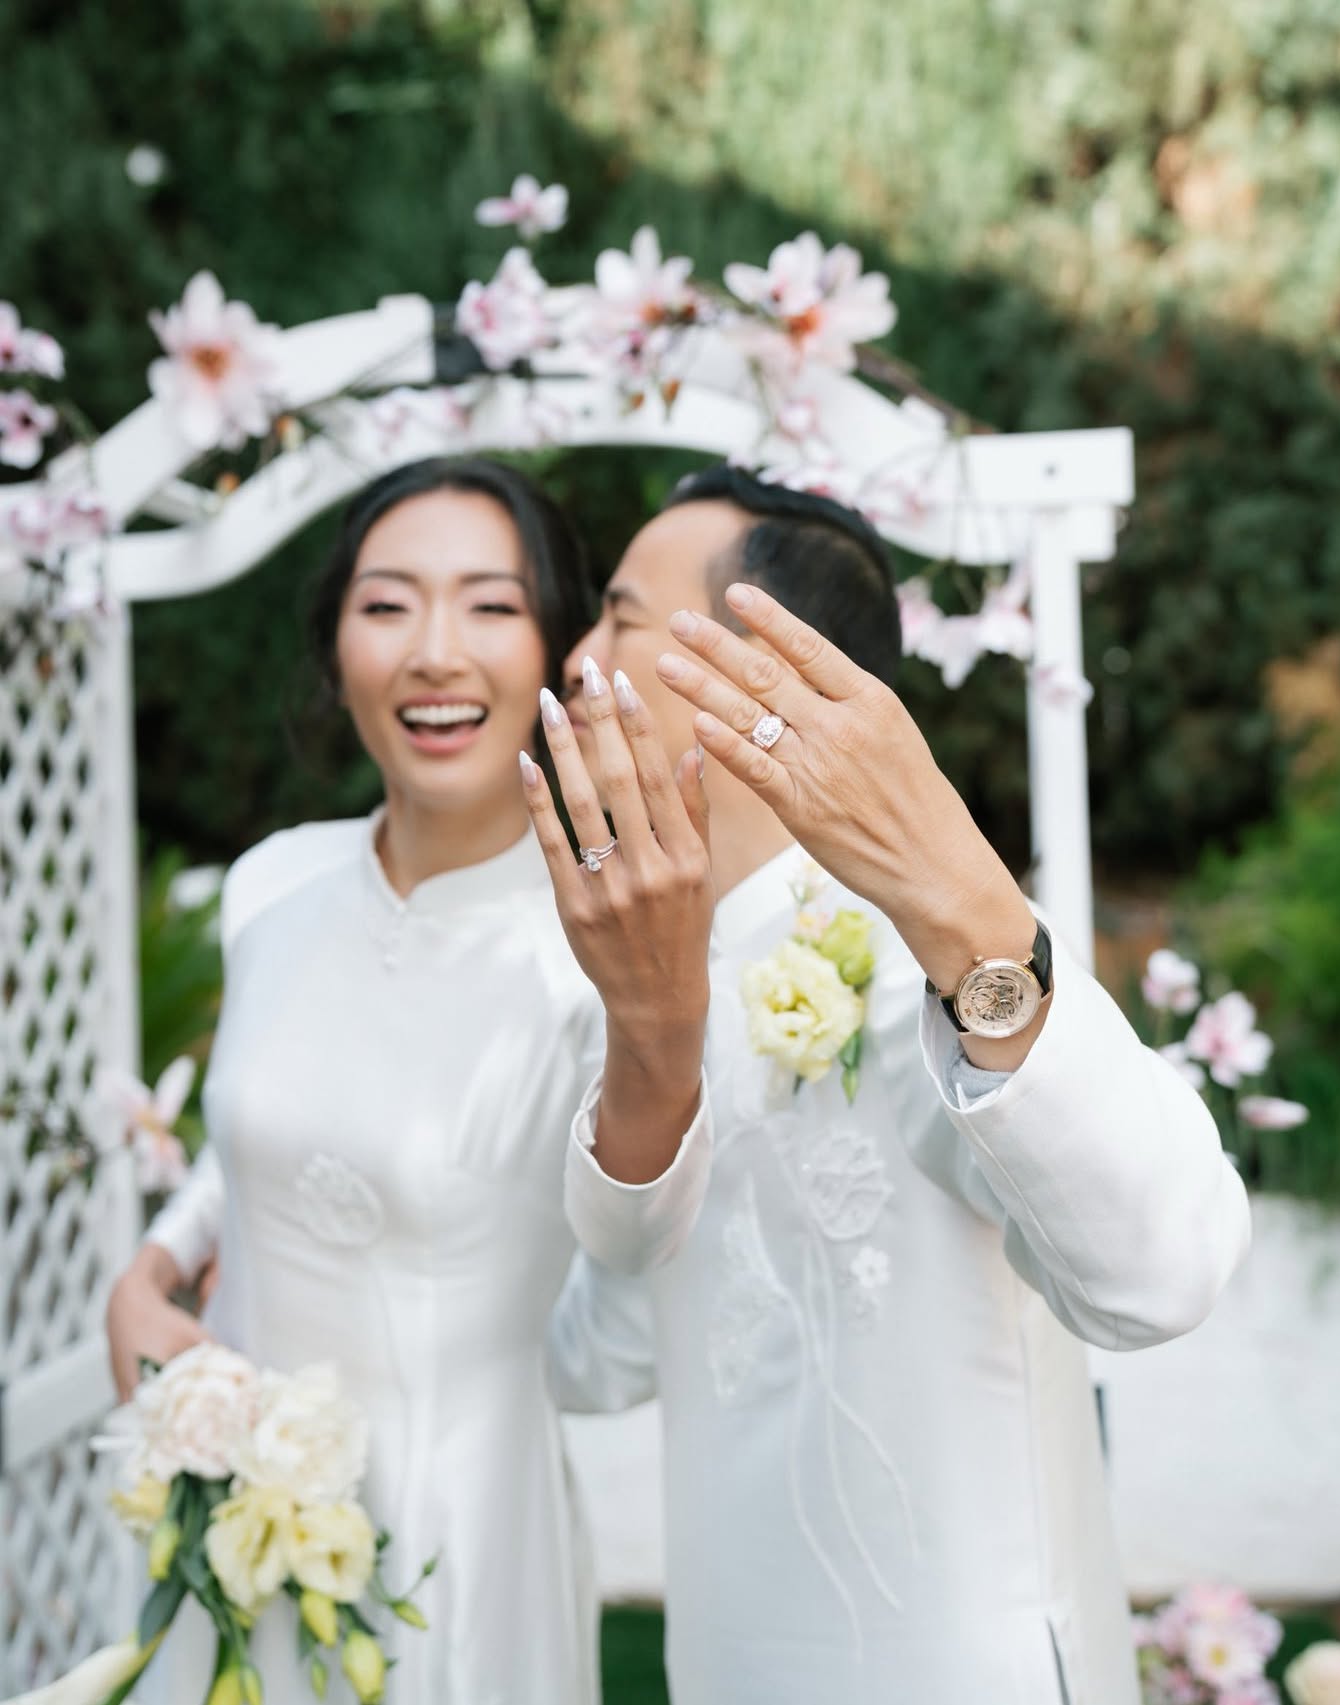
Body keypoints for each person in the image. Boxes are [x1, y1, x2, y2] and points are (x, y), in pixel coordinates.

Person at [523, 466, 1252, 1705]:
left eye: (622, 617)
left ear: (759, 663)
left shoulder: (936, 946)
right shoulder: (633, 974)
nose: (578, 658)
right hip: (731, 1663)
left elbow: (1159, 1271)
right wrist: (646, 1044)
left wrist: (969, 920)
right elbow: (596, 1358)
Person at [104, 457, 715, 1705]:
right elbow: (254, 1141)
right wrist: (150, 1271)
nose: (435, 652)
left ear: (555, 649)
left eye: (489, 605)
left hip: (456, 1536)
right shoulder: (271, 884)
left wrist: (657, 1029)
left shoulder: (600, 945)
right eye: (387, 604)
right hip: (222, 1515)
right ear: (336, 652)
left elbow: (639, 1245)